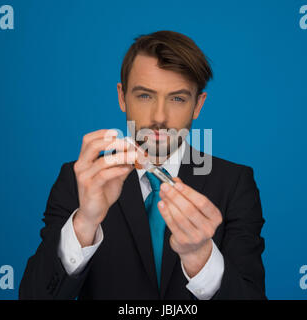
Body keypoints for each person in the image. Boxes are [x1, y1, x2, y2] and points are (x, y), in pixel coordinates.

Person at [19, 30, 266, 300]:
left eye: (178, 99)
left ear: (198, 105)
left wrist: (201, 258)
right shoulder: (77, 180)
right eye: (145, 96)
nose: (159, 117)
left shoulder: (235, 184)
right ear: (122, 97)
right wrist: (85, 223)